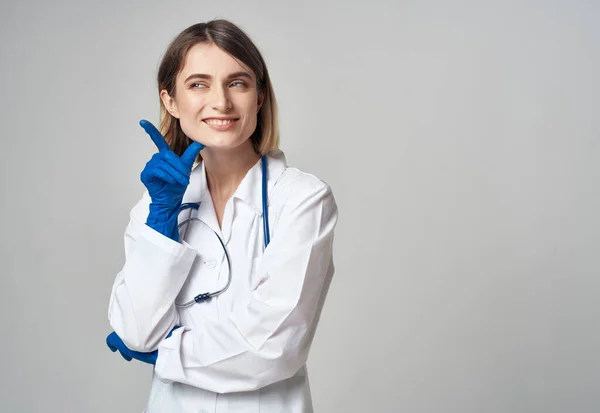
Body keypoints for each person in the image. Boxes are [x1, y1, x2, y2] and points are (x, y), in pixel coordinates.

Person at [106, 19, 338, 413]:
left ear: (260, 97)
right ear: (171, 101)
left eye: (238, 83)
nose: (221, 103)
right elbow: (135, 331)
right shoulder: (156, 203)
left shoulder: (301, 199)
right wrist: (162, 222)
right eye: (198, 84)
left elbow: (273, 348)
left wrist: (168, 353)